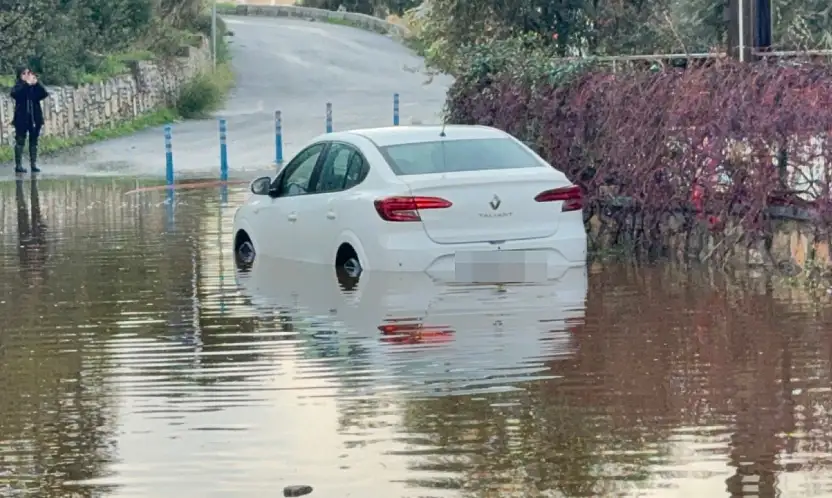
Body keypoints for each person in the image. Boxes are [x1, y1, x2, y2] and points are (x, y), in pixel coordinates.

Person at [10, 66, 49, 173]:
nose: (27, 76)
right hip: (22, 118)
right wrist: (26, 84)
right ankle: (18, 165)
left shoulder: (34, 87)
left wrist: (37, 83)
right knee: (20, 141)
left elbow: (44, 94)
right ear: (20, 75)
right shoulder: (18, 86)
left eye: (29, 73)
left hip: (35, 117)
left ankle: (33, 164)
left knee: (34, 141)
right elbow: (15, 94)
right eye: (25, 73)